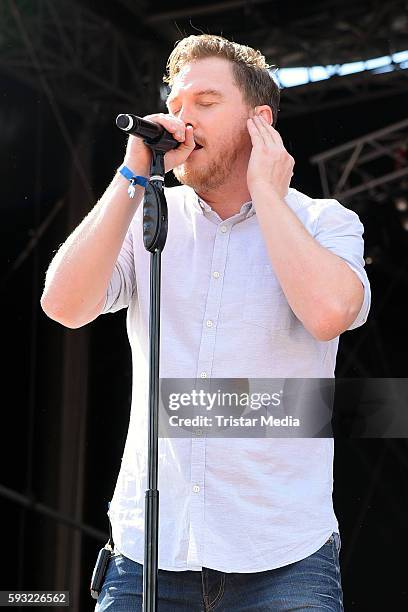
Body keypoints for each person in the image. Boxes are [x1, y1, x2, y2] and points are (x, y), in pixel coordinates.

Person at [41, 34, 371, 611]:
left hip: (283, 562)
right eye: (175, 104)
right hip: (147, 558)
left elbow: (328, 314)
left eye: (206, 102)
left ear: (260, 120)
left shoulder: (325, 221)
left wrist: (267, 193)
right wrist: (131, 176)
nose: (181, 119)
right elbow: (63, 306)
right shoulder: (148, 214)